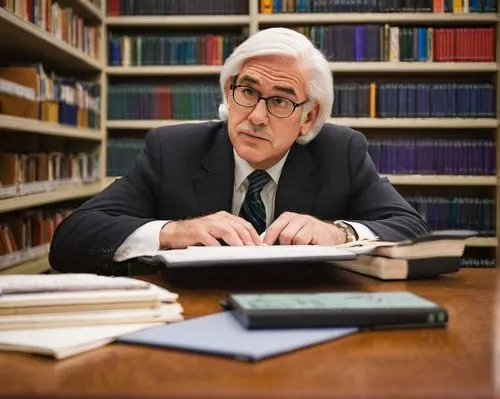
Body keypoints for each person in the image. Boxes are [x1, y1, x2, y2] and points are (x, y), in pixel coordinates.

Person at [49, 28, 430, 274]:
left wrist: (339, 233)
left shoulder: (340, 151)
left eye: (281, 101)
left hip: (308, 319)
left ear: (308, 117)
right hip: (192, 318)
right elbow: (71, 239)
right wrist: (175, 232)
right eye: (247, 92)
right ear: (229, 92)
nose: (257, 116)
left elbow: (413, 229)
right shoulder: (172, 149)